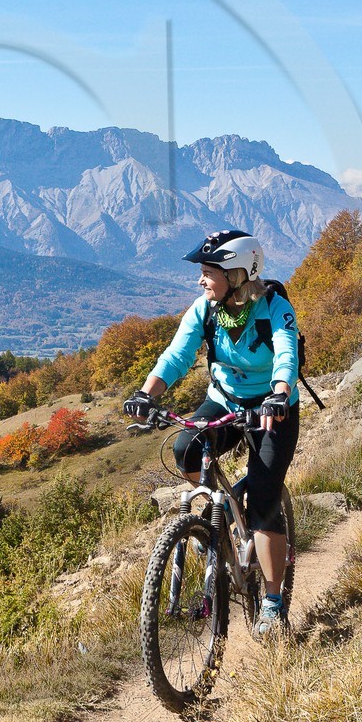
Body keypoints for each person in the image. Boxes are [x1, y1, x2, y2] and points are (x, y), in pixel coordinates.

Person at [121, 229, 300, 637]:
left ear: (237, 275)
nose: (200, 280)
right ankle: (220, 518)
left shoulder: (274, 307)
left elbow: (286, 354)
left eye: (208, 272)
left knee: (265, 500)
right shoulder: (205, 309)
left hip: (271, 409)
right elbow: (177, 354)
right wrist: (146, 394)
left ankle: (273, 604)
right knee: (185, 450)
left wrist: (279, 393)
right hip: (225, 400)